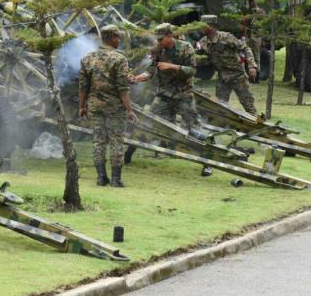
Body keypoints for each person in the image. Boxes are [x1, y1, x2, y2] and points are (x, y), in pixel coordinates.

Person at [133, 23, 212, 176]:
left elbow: (193, 71)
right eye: (158, 39)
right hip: (164, 94)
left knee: (194, 128)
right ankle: (131, 153)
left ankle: (207, 163)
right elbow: (151, 70)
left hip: (183, 95)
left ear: (170, 36)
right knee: (151, 121)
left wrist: (173, 67)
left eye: (161, 38)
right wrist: (137, 78)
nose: (159, 42)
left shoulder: (185, 47)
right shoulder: (157, 49)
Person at [78, 25, 137, 187]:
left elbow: (83, 87)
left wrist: (81, 107)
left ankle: (101, 178)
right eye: (118, 37)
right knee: (116, 142)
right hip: (115, 108)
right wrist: (129, 110)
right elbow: (123, 88)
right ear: (111, 38)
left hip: (94, 107)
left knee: (98, 142)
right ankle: (116, 180)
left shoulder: (87, 58)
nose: (119, 41)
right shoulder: (119, 59)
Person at [197, 14, 259, 116]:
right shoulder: (203, 42)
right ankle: (223, 126)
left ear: (212, 26)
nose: (201, 28)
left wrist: (252, 66)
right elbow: (200, 58)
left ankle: (257, 126)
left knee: (249, 106)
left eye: (204, 25)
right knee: (220, 107)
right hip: (223, 78)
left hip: (238, 76)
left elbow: (245, 48)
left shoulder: (226, 37)